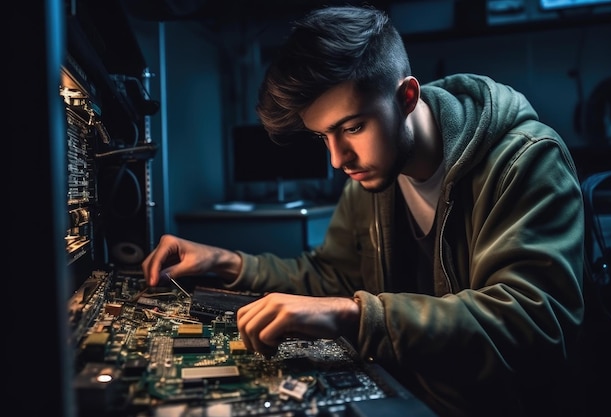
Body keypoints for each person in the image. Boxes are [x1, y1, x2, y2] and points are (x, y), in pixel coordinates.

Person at [142, 5, 586, 417]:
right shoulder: (373, 174)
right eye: (323, 137)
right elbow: (330, 277)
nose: (338, 160)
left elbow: (533, 326)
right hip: (402, 389)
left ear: (407, 97)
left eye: (353, 127)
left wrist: (354, 316)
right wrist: (226, 262)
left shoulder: (524, 161)